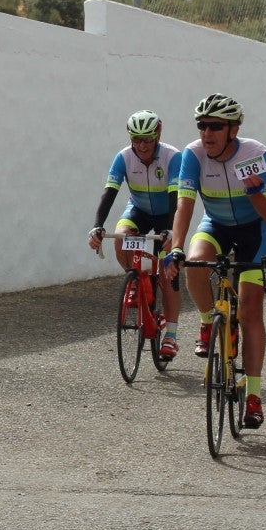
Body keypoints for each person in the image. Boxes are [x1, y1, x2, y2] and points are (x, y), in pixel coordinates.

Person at [162, 93, 266, 429]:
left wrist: (255, 192)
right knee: (195, 266)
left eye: (215, 126)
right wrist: (178, 247)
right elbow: (184, 206)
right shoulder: (193, 155)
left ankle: (254, 395)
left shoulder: (257, 155)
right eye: (202, 125)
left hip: (255, 232)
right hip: (216, 226)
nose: (206, 133)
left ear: (233, 129)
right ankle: (205, 320)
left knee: (250, 310)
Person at [87, 109, 184, 359]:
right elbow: (109, 193)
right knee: (121, 237)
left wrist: (172, 230)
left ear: (158, 134)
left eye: (148, 139)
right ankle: (135, 278)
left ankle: (171, 336)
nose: (142, 145)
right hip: (139, 210)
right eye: (137, 139)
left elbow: (176, 199)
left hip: (166, 213)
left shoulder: (173, 157)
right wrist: (98, 225)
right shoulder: (123, 157)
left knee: (167, 270)